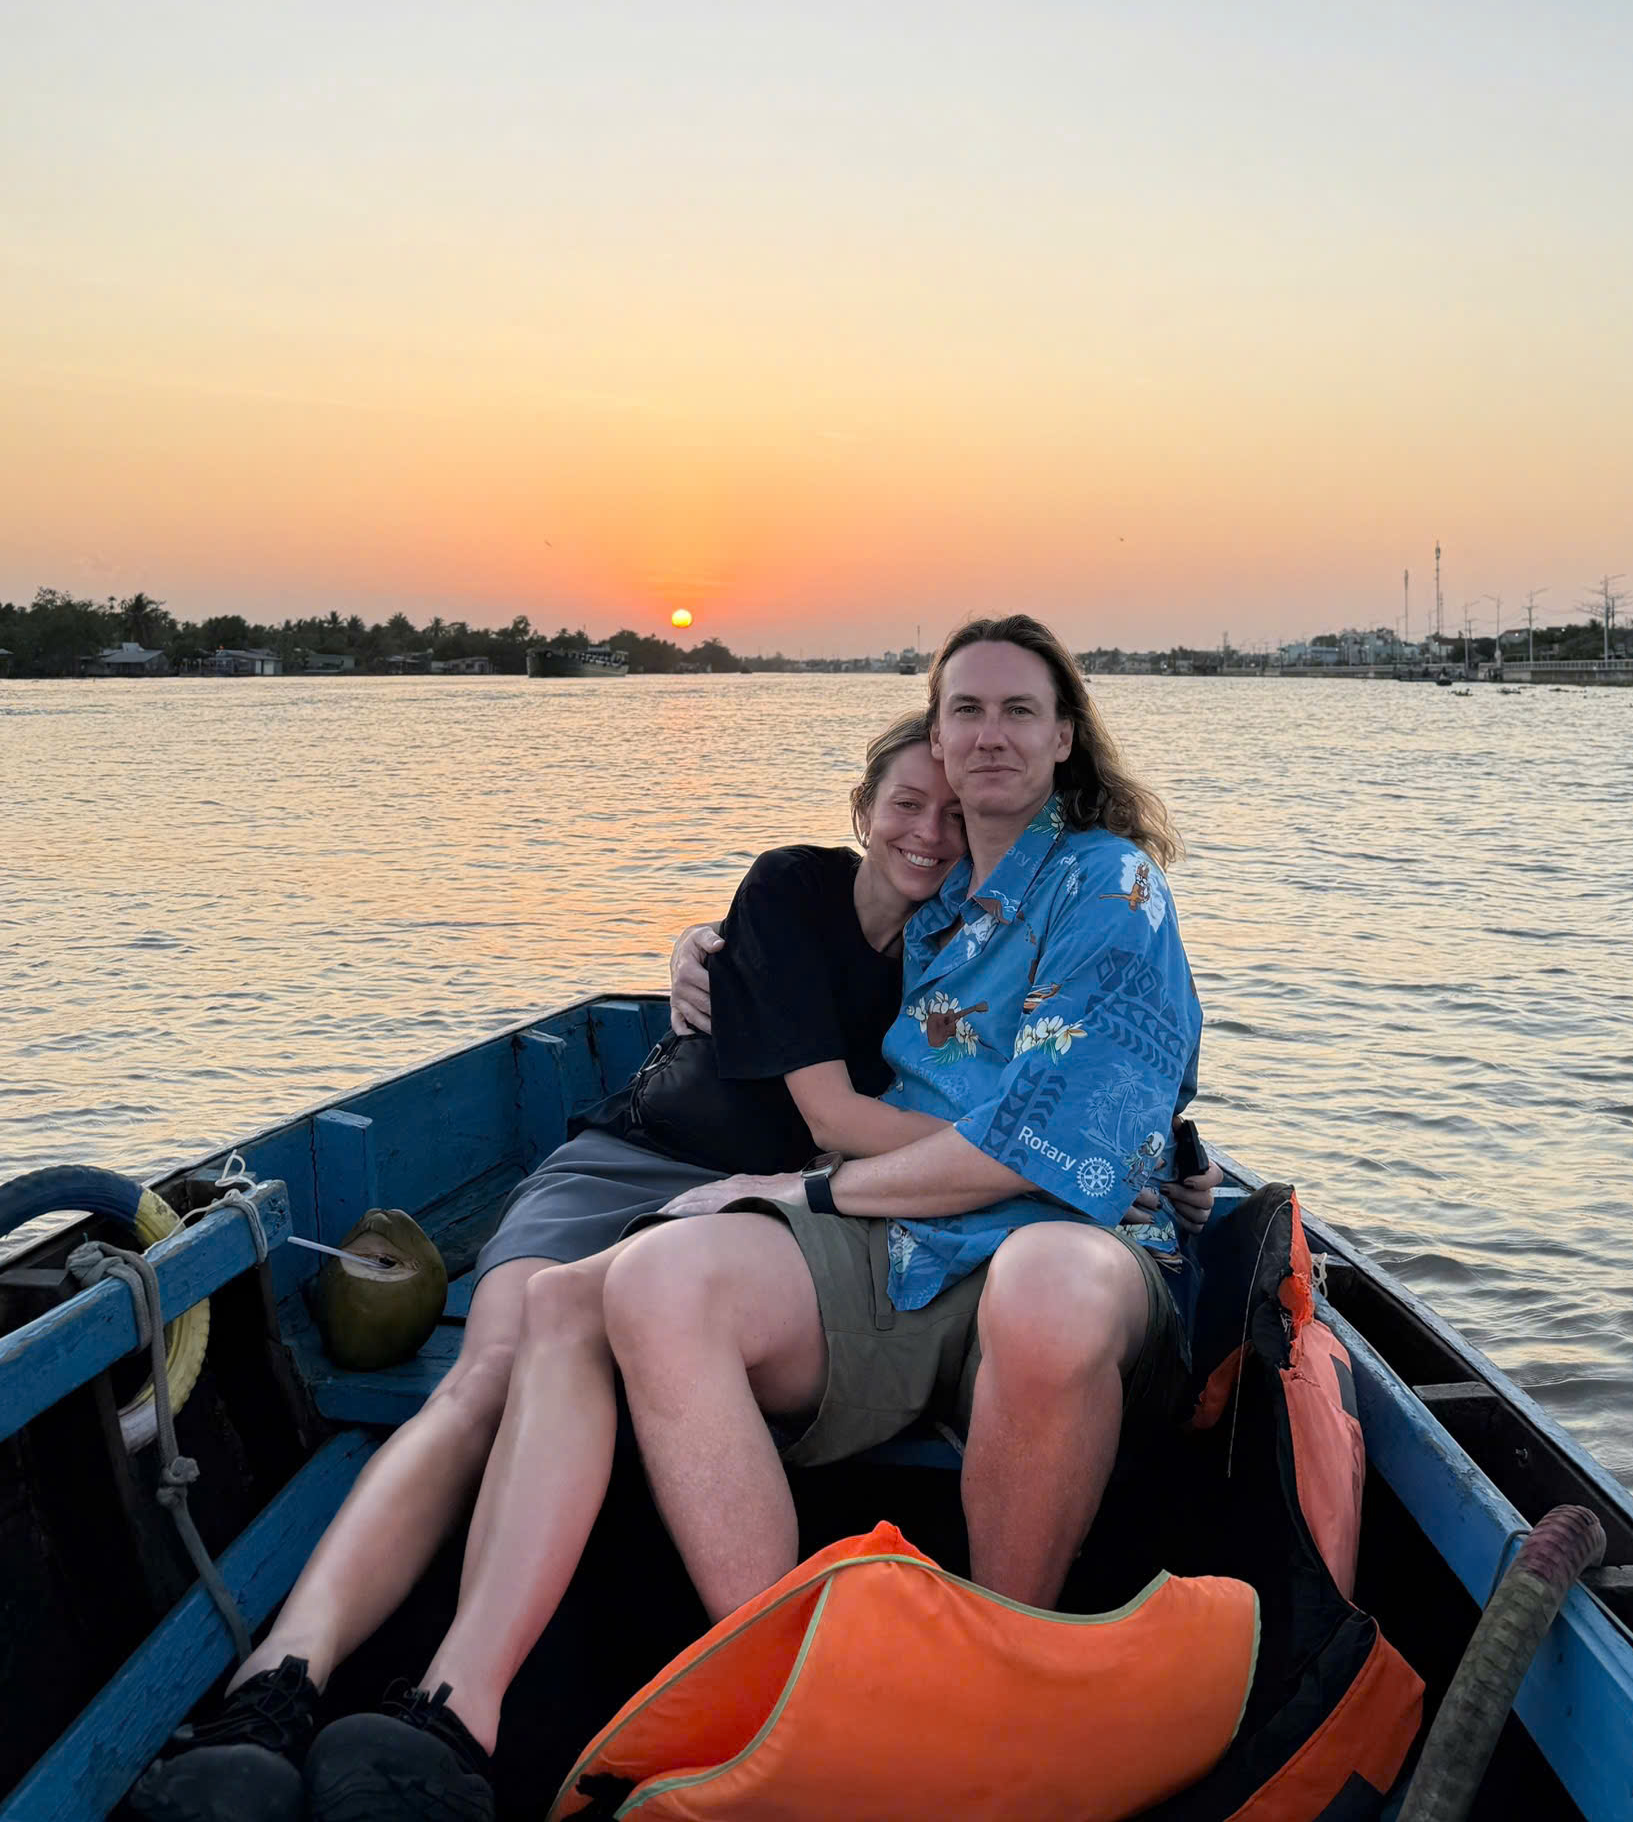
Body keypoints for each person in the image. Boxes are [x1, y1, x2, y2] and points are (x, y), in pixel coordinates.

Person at [301, 614, 1209, 1820]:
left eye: (1019, 710)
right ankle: (790, 1695)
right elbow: (839, 1003)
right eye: (966, 712)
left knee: (1042, 1281)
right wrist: (697, 956)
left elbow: (1077, 1111)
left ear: (1064, 737)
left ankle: (1004, 1680)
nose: (987, 740)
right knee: (650, 1280)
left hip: (1055, 1244)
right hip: (886, 1234)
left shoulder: (1106, 880)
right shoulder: (929, 919)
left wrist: (814, 1187)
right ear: (930, 738)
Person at [130, 712, 970, 1822]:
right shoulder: (791, 890)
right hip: (637, 1156)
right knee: (493, 1362)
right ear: (864, 811)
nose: (930, 831)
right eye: (908, 803)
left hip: (754, 1219)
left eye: (957, 812)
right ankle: (277, 1683)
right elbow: (825, 1103)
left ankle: (446, 1708)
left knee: (578, 1334)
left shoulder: (979, 942)